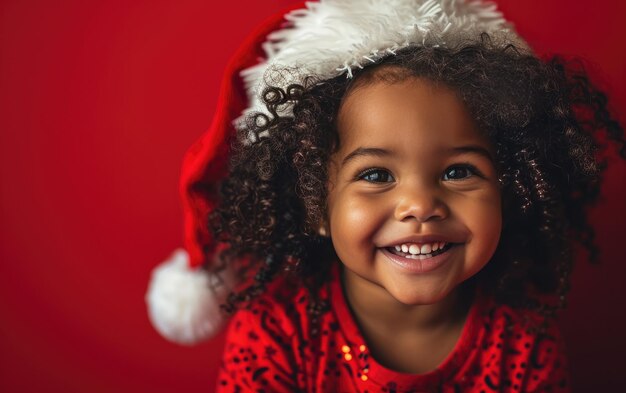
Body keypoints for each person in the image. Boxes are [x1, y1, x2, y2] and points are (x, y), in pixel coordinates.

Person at [144, 1, 625, 392]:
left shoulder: (525, 345)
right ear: (318, 206)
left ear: (509, 186)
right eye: (376, 175)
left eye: (459, 170)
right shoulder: (274, 334)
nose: (419, 204)